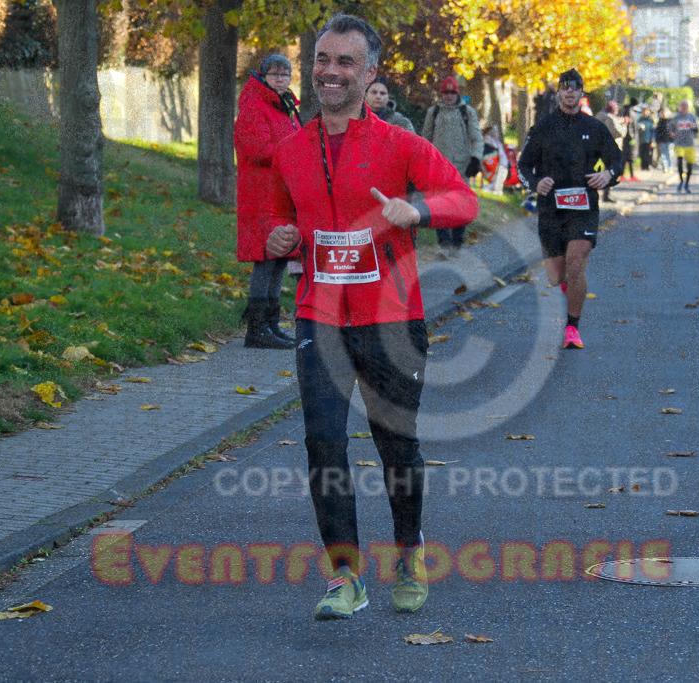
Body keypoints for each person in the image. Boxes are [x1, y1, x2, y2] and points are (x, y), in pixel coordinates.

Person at [262, 13, 479, 620]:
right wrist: (281, 239)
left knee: (395, 444)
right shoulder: (290, 151)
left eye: (345, 62)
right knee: (323, 442)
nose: (330, 72)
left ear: (371, 73)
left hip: (391, 319)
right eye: (322, 60)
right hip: (319, 317)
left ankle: (408, 554)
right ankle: (344, 577)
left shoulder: (400, 144)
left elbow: (463, 199)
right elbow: (282, 221)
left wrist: (418, 210)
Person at [517, 68, 622, 350]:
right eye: (565, 87)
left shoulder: (595, 128)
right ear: (559, 92)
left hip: (584, 206)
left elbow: (617, 161)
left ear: (581, 92)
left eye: (575, 88)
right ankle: (568, 284)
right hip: (551, 208)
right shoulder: (542, 128)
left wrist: (607, 175)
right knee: (555, 276)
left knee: (576, 263)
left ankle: (572, 329)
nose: (570, 92)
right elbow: (523, 166)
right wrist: (536, 183)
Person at [233, 53, 300, 350]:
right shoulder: (254, 105)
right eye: (275, 75)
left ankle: (270, 325)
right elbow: (258, 150)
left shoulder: (284, 105)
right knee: (266, 258)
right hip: (261, 195)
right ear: (263, 76)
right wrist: (296, 152)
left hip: (280, 193)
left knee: (279, 258)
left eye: (285, 75)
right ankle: (257, 328)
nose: (281, 80)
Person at [422, 75, 484, 258]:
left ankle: (457, 241)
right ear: (441, 94)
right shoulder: (433, 112)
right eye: (445, 92)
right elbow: (425, 138)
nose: (449, 96)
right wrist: (423, 161)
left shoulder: (467, 112)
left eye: (452, 92)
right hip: (438, 166)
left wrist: (476, 158)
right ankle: (443, 242)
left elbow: (477, 137)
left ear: (457, 93)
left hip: (461, 166)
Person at [670, 99, 699, 193]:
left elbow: (697, 131)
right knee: (679, 161)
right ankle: (681, 181)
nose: (684, 107)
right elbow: (670, 127)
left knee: (690, 166)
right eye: (682, 105)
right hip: (679, 143)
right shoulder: (676, 117)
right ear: (680, 106)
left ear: (688, 107)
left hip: (689, 144)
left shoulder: (692, 117)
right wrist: (672, 133)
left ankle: (687, 183)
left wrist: (694, 127)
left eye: (686, 105)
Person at [596, 101, 622, 200]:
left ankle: (602, 193)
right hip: (611, 147)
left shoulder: (599, 116)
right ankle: (606, 195)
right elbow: (617, 132)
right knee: (611, 170)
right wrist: (623, 126)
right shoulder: (610, 118)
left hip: (599, 145)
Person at [480, 124, 509, 195]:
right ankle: (496, 187)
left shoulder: (496, 145)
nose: (497, 136)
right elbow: (490, 163)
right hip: (492, 172)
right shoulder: (488, 146)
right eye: (496, 133)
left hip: (498, 169)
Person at [655, 106, 674, 173]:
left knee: (670, 154)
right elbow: (657, 132)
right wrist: (657, 141)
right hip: (662, 140)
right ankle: (665, 167)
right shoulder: (660, 122)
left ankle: (670, 167)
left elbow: (674, 131)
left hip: (670, 141)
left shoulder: (671, 121)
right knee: (663, 155)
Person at [637, 106, 655, 171]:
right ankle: (643, 166)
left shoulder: (650, 120)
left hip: (648, 139)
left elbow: (653, 131)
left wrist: (653, 139)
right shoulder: (640, 120)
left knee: (648, 153)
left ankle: (647, 166)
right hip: (641, 139)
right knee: (642, 153)